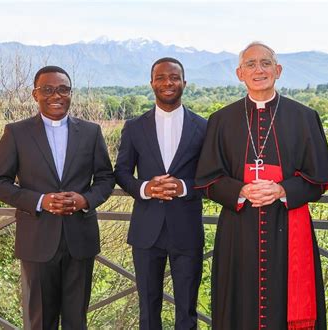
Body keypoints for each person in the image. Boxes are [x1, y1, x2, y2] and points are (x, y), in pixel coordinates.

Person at [195, 42, 328, 329]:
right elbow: (207, 179)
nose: (259, 70)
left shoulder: (305, 117)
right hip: (238, 231)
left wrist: (283, 190)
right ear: (239, 73)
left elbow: (320, 179)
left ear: (278, 70)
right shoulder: (221, 120)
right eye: (251, 64)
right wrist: (241, 190)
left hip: (288, 228)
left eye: (266, 63)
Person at [0, 65, 115, 329]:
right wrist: (40, 201)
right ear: (35, 94)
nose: (56, 95)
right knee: (40, 321)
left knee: (76, 320)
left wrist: (84, 200)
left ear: (70, 93)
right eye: (47, 89)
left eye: (62, 89)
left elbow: (105, 179)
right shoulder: (16, 133)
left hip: (80, 239)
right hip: (37, 239)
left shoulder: (91, 133)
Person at [114, 57, 207, 329]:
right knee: (148, 309)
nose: (168, 83)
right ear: (152, 83)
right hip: (146, 231)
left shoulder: (203, 126)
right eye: (161, 77)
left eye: (174, 77)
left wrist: (184, 187)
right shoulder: (134, 127)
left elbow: (211, 177)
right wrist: (145, 187)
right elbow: (120, 172)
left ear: (184, 83)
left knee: (187, 311)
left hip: (187, 229)